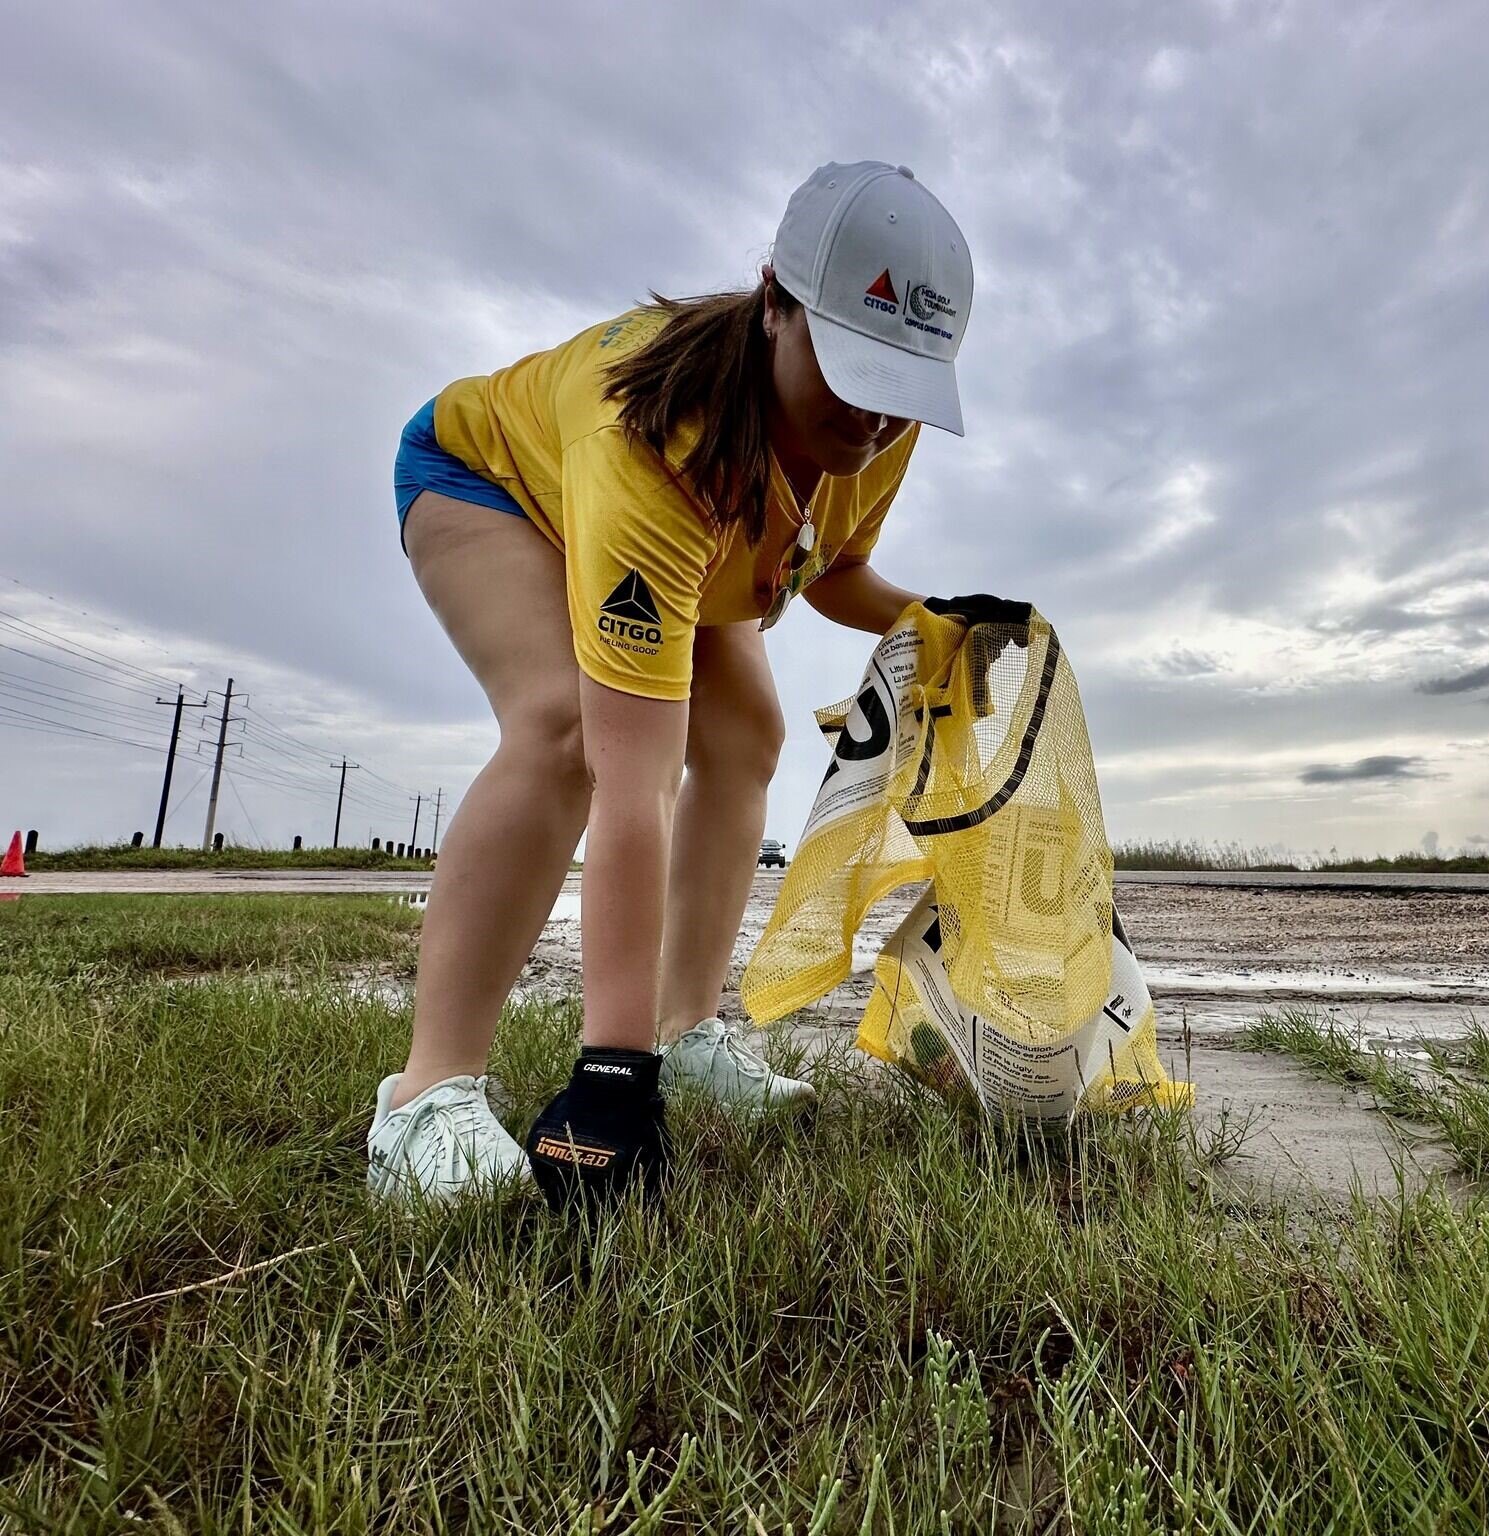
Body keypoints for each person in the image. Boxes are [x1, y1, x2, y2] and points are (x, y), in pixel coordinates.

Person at [368, 160, 1010, 1209]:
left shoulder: (874, 433)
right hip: (491, 488)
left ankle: (689, 1024)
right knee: (564, 734)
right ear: (773, 305)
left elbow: (829, 567)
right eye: (853, 374)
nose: (874, 422)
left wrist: (933, 626)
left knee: (747, 733)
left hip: (688, 537)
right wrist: (612, 1077)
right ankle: (425, 1096)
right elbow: (632, 789)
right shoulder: (653, 447)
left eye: (900, 391)